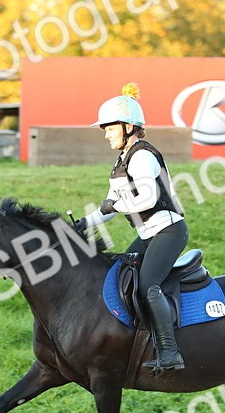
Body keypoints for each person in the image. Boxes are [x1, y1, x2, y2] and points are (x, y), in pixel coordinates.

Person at [77, 83, 188, 371]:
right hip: (148, 234)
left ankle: (170, 351)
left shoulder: (142, 156)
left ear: (128, 127)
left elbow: (147, 199)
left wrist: (114, 206)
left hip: (168, 232)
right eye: (104, 130)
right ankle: (137, 340)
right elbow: (108, 206)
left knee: (148, 285)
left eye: (110, 129)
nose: (106, 134)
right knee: (120, 277)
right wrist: (81, 224)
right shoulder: (121, 161)